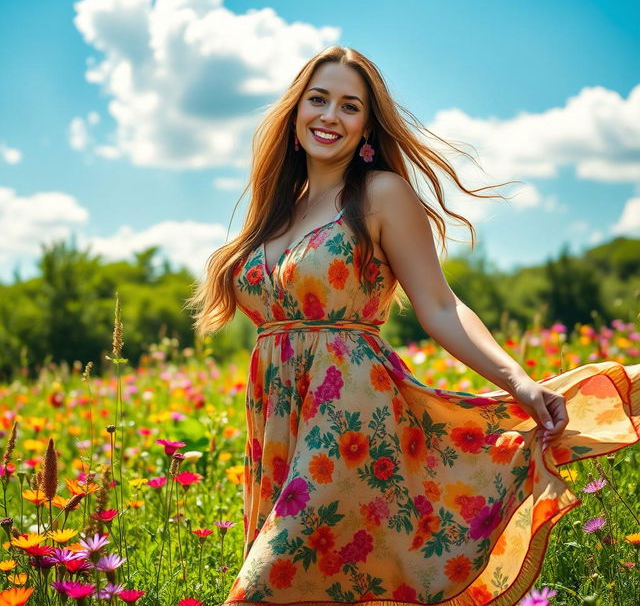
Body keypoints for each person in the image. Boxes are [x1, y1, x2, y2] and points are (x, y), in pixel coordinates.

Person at [186, 46, 640, 605]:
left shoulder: (381, 194)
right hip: (279, 423)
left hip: (348, 414)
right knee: (321, 587)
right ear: (295, 111)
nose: (330, 116)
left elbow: (441, 306)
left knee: (266, 588)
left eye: (349, 106)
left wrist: (518, 382)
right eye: (318, 99)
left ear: (367, 127)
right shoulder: (276, 209)